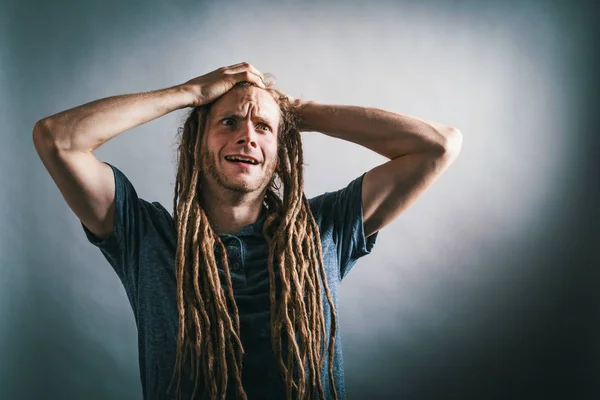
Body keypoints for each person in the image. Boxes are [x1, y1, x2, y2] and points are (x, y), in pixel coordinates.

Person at [32, 62, 462, 400]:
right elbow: (58, 139)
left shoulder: (323, 228)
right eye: (229, 122)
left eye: (263, 129)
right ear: (198, 141)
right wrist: (188, 94)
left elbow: (437, 146)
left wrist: (296, 111)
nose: (247, 138)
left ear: (281, 149)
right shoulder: (145, 235)